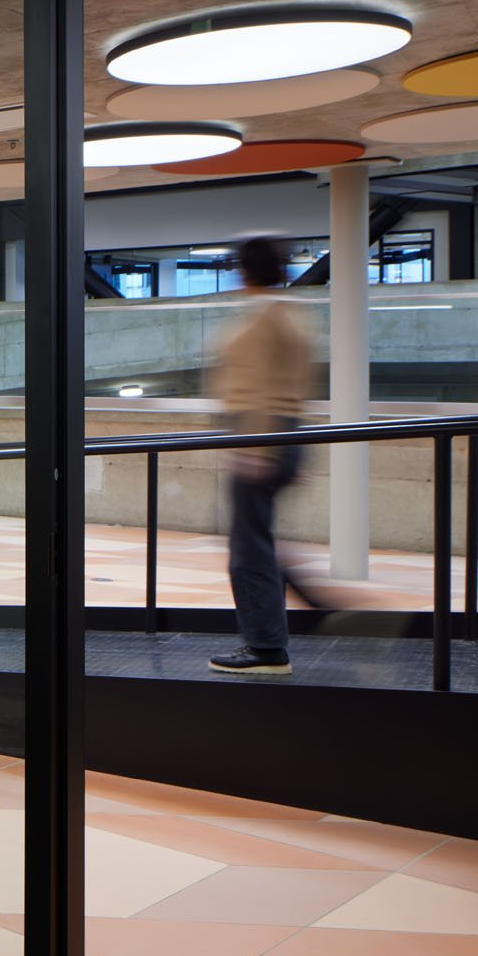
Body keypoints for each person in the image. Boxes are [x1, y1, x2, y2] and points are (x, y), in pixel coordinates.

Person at [206, 238, 314, 675]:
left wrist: (255, 449)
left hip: (261, 438)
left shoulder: (263, 319)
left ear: (242, 272)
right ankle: (301, 613)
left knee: (248, 550)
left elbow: (259, 388)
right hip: (284, 435)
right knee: (258, 542)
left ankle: (266, 648)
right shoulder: (292, 315)